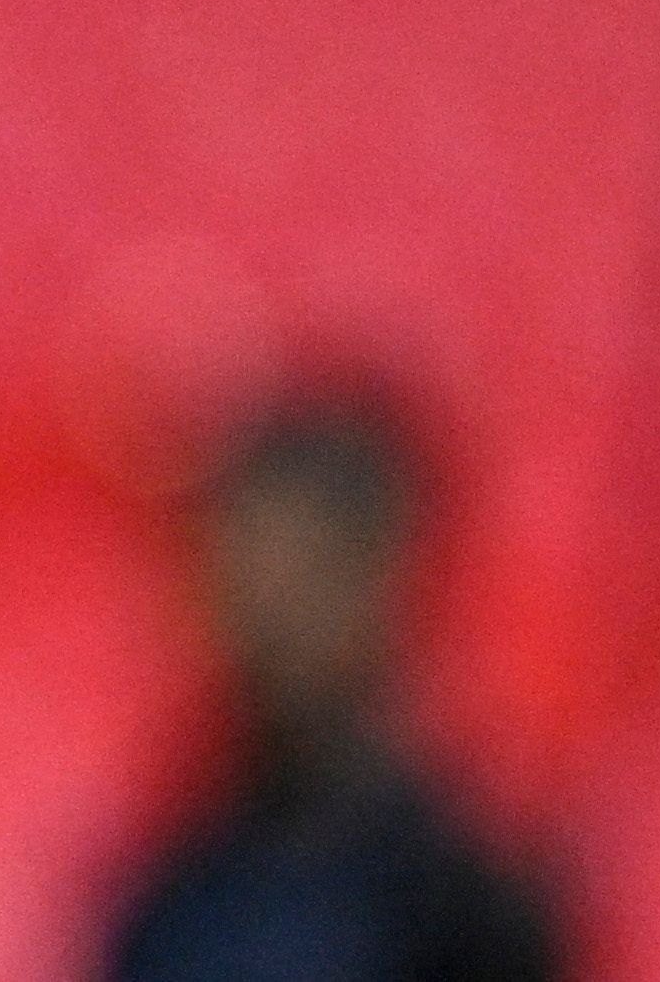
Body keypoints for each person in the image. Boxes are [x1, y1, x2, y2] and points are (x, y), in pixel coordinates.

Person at [102, 399, 561, 982]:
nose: (264, 618)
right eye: (240, 575)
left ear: (391, 580)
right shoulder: (170, 895)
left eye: (301, 574)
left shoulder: (461, 908)